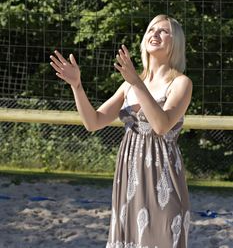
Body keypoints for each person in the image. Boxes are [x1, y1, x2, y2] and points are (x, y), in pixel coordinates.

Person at [50, 14, 192, 248]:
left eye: (163, 31)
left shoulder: (180, 83)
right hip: (130, 176)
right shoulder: (128, 84)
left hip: (163, 177)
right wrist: (77, 86)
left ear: (175, 41)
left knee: (164, 237)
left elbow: (160, 125)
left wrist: (137, 82)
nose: (155, 34)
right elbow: (93, 122)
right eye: (151, 29)